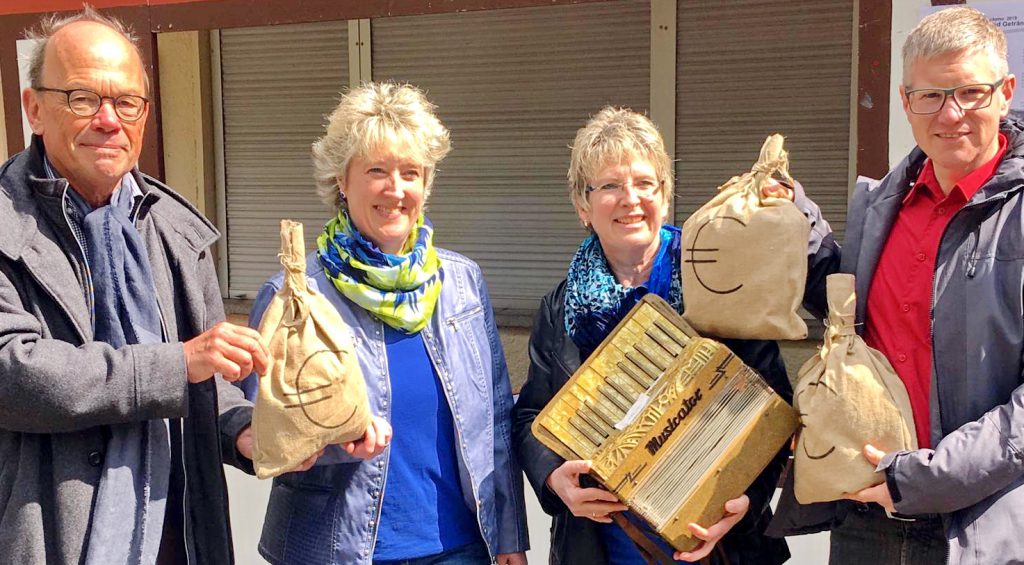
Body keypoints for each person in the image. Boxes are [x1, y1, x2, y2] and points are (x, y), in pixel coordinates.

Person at [0, 8, 270, 565]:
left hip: (181, 537)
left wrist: (244, 430)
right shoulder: (6, 221)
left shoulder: (171, 226)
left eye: (127, 102)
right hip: (52, 538)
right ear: (34, 108)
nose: (108, 120)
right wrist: (175, 364)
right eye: (82, 98)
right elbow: (12, 372)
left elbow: (205, 379)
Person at [237, 81, 529, 565]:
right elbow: (262, 434)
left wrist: (508, 537)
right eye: (376, 171)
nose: (395, 189)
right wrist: (334, 437)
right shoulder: (295, 293)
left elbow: (495, 422)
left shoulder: (462, 282)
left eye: (410, 172)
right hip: (336, 550)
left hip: (460, 547)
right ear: (341, 181)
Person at [772, 7, 1024, 565]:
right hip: (867, 518)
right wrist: (796, 218)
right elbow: (849, 312)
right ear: (906, 102)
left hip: (981, 526)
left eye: (971, 92)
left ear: (1005, 92)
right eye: (931, 96)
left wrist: (921, 479)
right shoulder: (883, 203)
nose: (951, 113)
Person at [511, 107, 793, 565]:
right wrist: (553, 478)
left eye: (645, 183)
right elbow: (530, 416)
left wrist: (747, 502)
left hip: (718, 544)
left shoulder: (719, 281)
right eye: (609, 186)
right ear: (583, 206)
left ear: (664, 195)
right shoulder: (561, 307)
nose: (630, 199)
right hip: (604, 546)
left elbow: (774, 409)